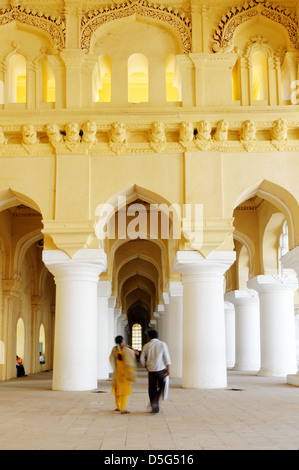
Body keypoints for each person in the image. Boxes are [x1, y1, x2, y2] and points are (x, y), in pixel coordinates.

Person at [140, 330, 171, 413]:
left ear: (149, 337)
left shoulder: (146, 346)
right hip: (161, 369)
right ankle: (155, 401)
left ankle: (154, 403)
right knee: (162, 386)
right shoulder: (162, 344)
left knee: (152, 388)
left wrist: (145, 365)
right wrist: (168, 368)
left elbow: (142, 358)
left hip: (151, 370)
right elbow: (166, 356)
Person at [109, 336, 138, 414]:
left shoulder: (114, 349)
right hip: (124, 373)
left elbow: (111, 359)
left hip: (117, 372)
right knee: (124, 391)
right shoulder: (126, 350)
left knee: (117, 390)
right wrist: (130, 347)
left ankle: (118, 407)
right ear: (122, 341)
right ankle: (123, 408)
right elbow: (136, 353)